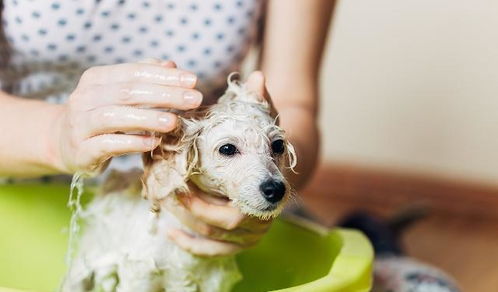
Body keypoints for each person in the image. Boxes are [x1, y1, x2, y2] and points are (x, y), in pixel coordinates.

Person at [0, 1, 333, 256]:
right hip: (21, 185)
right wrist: (54, 136)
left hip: (205, 197)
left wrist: (258, 184)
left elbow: (294, 104)